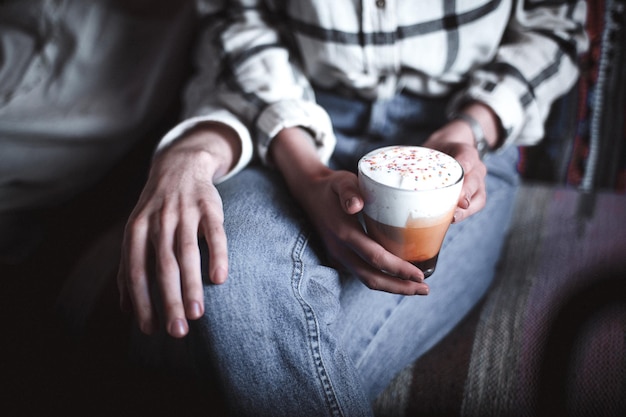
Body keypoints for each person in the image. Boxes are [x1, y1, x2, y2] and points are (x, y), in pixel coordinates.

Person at [117, 1, 588, 415]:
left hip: (464, 133)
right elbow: (237, 20)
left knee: (248, 341)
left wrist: (471, 127)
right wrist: (308, 174)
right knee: (230, 273)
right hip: (295, 122)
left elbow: (556, 24)